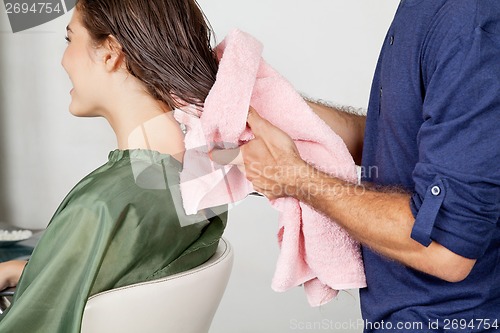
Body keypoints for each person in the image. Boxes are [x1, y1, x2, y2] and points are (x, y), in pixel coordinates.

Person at [214, 0, 499, 331]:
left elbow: (445, 248)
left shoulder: (469, 23)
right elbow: (402, 138)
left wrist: (294, 178)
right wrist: (275, 108)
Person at [0, 0, 226, 332]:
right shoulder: (202, 180)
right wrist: (32, 270)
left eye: (69, 39)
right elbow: (124, 277)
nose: (63, 60)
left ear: (109, 52)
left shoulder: (99, 207)